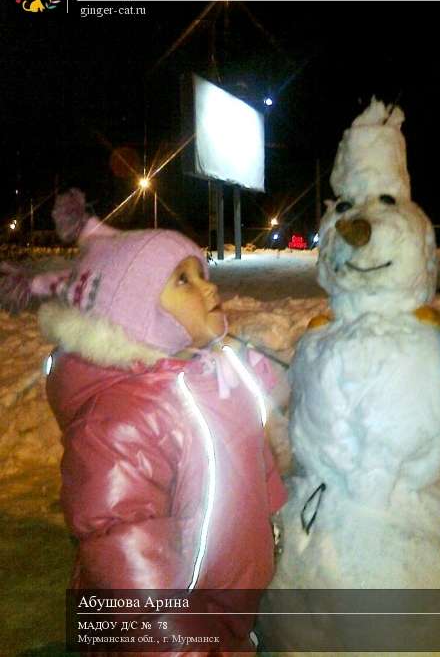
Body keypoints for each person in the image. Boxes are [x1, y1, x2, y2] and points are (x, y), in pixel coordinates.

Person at [4, 190, 288, 655]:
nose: (208, 287)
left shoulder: (211, 376)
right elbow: (130, 576)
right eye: (183, 281)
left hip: (228, 610)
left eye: (202, 273)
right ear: (134, 314)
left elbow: (253, 460)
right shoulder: (119, 424)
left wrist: (271, 524)